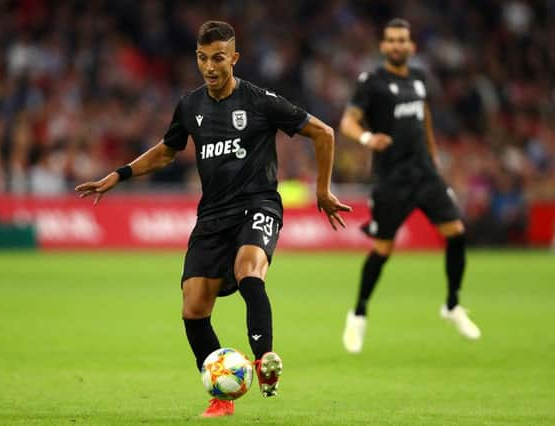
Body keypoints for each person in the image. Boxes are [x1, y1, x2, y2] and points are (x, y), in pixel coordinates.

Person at [76, 21, 351, 417]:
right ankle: (222, 396)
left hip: (258, 204)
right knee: (193, 307)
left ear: (234, 59)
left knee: (248, 271)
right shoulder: (190, 106)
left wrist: (322, 191)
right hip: (212, 216)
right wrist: (119, 175)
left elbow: (323, 133)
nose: (209, 66)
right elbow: (167, 151)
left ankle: (264, 361)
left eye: (218, 58)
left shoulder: (260, 101)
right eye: (203, 58)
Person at [339, 18, 481, 354]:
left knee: (457, 233)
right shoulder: (372, 82)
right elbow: (348, 121)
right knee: (382, 250)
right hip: (392, 180)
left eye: (403, 39)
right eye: (391, 40)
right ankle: (358, 314)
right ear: (383, 47)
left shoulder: (419, 78)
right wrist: (367, 137)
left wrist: (434, 160)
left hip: (425, 174)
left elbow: (424, 117)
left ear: (411, 46)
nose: (398, 45)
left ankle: (452, 305)